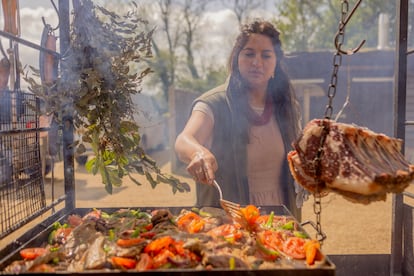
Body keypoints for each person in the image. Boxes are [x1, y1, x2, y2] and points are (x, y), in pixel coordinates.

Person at [174, 19, 304, 220]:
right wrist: (198, 153)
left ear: (276, 63)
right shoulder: (214, 103)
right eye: (249, 53)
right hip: (229, 221)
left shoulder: (286, 107)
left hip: (281, 219)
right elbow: (184, 140)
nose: (256, 62)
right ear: (236, 59)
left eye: (266, 55)